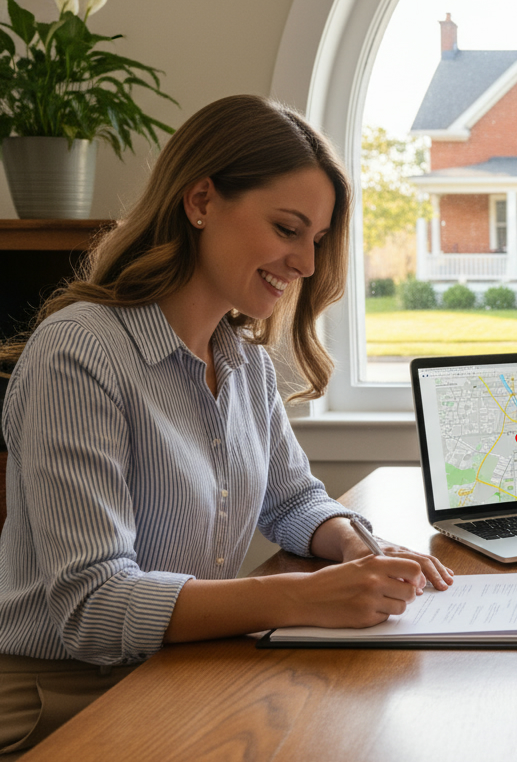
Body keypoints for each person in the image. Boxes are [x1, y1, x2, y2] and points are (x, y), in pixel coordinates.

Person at [0, 95, 452, 754]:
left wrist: (359, 548)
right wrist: (305, 598)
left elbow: (292, 498)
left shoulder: (243, 360)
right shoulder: (79, 355)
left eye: (316, 240)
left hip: (179, 671)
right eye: (287, 228)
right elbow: (94, 605)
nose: (304, 262)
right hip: (61, 700)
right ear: (202, 201)